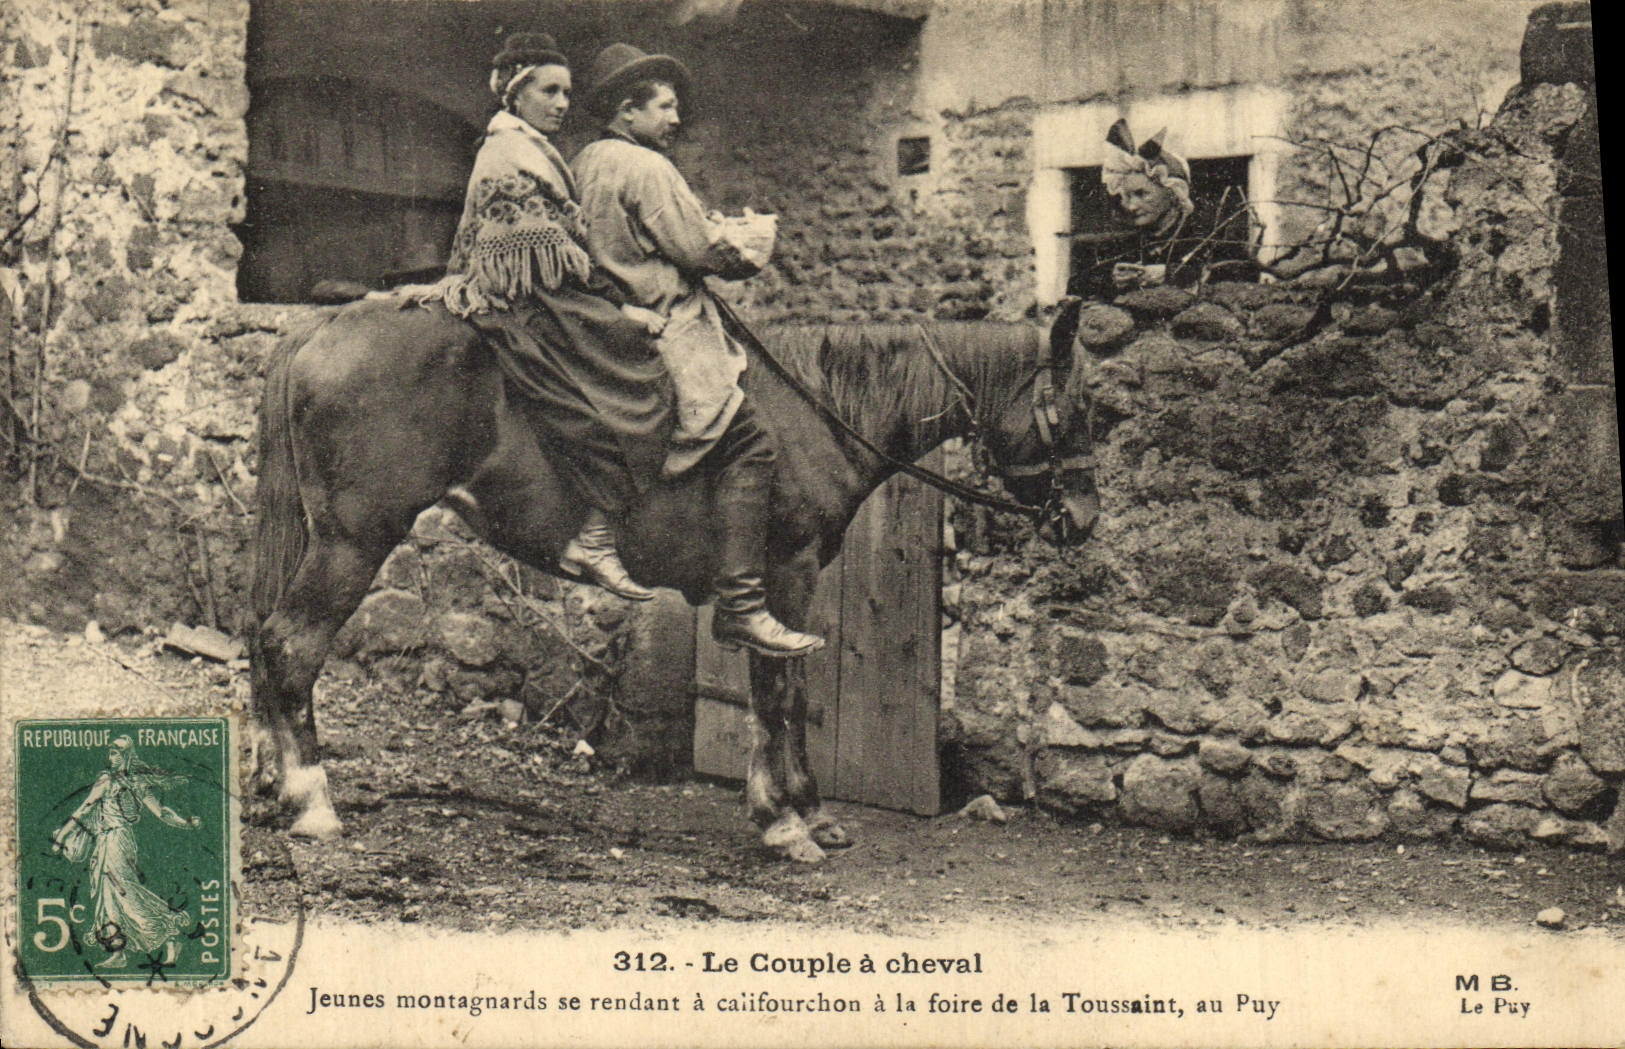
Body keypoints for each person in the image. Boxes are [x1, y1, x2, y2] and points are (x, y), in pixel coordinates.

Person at [571, 43, 825, 658]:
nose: (676, 119)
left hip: (605, 327)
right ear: (628, 112)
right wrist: (753, 236)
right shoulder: (648, 168)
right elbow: (705, 252)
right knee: (749, 440)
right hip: (663, 326)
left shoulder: (583, 163)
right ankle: (741, 605)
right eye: (666, 106)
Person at [420, 33, 673, 601]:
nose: (561, 103)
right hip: (524, 304)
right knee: (639, 389)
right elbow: (538, 269)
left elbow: (561, 253)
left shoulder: (532, 147)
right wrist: (623, 317)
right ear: (515, 94)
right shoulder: (510, 153)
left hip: (543, 293)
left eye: (567, 92)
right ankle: (594, 537)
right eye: (548, 91)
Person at [1067, 119, 1256, 300]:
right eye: (1126, 196)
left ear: (1173, 192)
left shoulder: (1208, 236)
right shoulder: (1128, 244)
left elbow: (1243, 273)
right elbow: (1075, 284)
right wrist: (1112, 278)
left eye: (1142, 194)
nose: (1131, 206)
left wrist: (1171, 274)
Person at [52, 737, 198, 968]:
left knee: (124, 893)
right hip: (108, 840)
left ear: (127, 755)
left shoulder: (123, 782)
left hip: (116, 841)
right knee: (109, 895)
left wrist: (185, 823)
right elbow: (87, 808)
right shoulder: (116, 781)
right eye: (110, 753)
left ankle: (169, 934)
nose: (111, 758)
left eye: (116, 753)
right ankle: (118, 952)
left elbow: (161, 812)